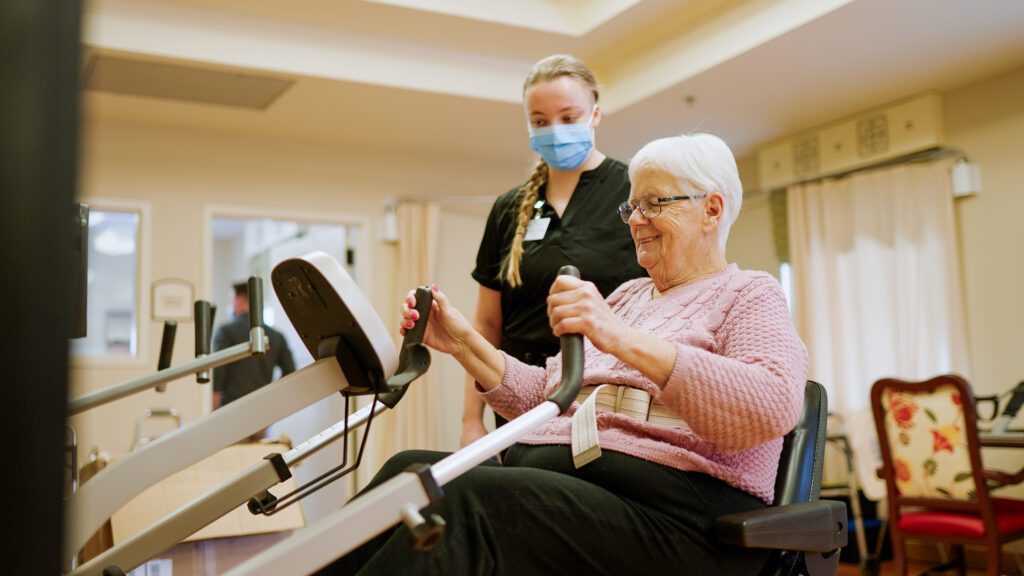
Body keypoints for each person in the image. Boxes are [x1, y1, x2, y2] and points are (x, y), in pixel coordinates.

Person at [318, 133, 809, 575]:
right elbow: (549, 397)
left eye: (655, 203)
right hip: (583, 487)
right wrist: (464, 344)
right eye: (632, 206)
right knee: (410, 473)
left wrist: (618, 337)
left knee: (474, 499)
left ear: (712, 210)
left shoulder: (749, 294)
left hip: (681, 520)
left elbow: (772, 404)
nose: (636, 220)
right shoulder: (627, 299)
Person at [462, 54, 645, 446]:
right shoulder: (508, 208)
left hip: (607, 398)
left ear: (595, 115)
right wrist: (470, 421)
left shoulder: (634, 192)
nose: (555, 131)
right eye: (540, 122)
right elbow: (487, 326)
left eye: (568, 117)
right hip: (515, 399)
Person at [212, 282, 296, 410]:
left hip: (231, 408)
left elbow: (218, 370)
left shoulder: (225, 331)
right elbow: (290, 372)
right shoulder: (276, 336)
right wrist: (274, 399)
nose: (230, 305)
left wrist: (213, 403)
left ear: (239, 300)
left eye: (231, 300)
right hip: (262, 407)